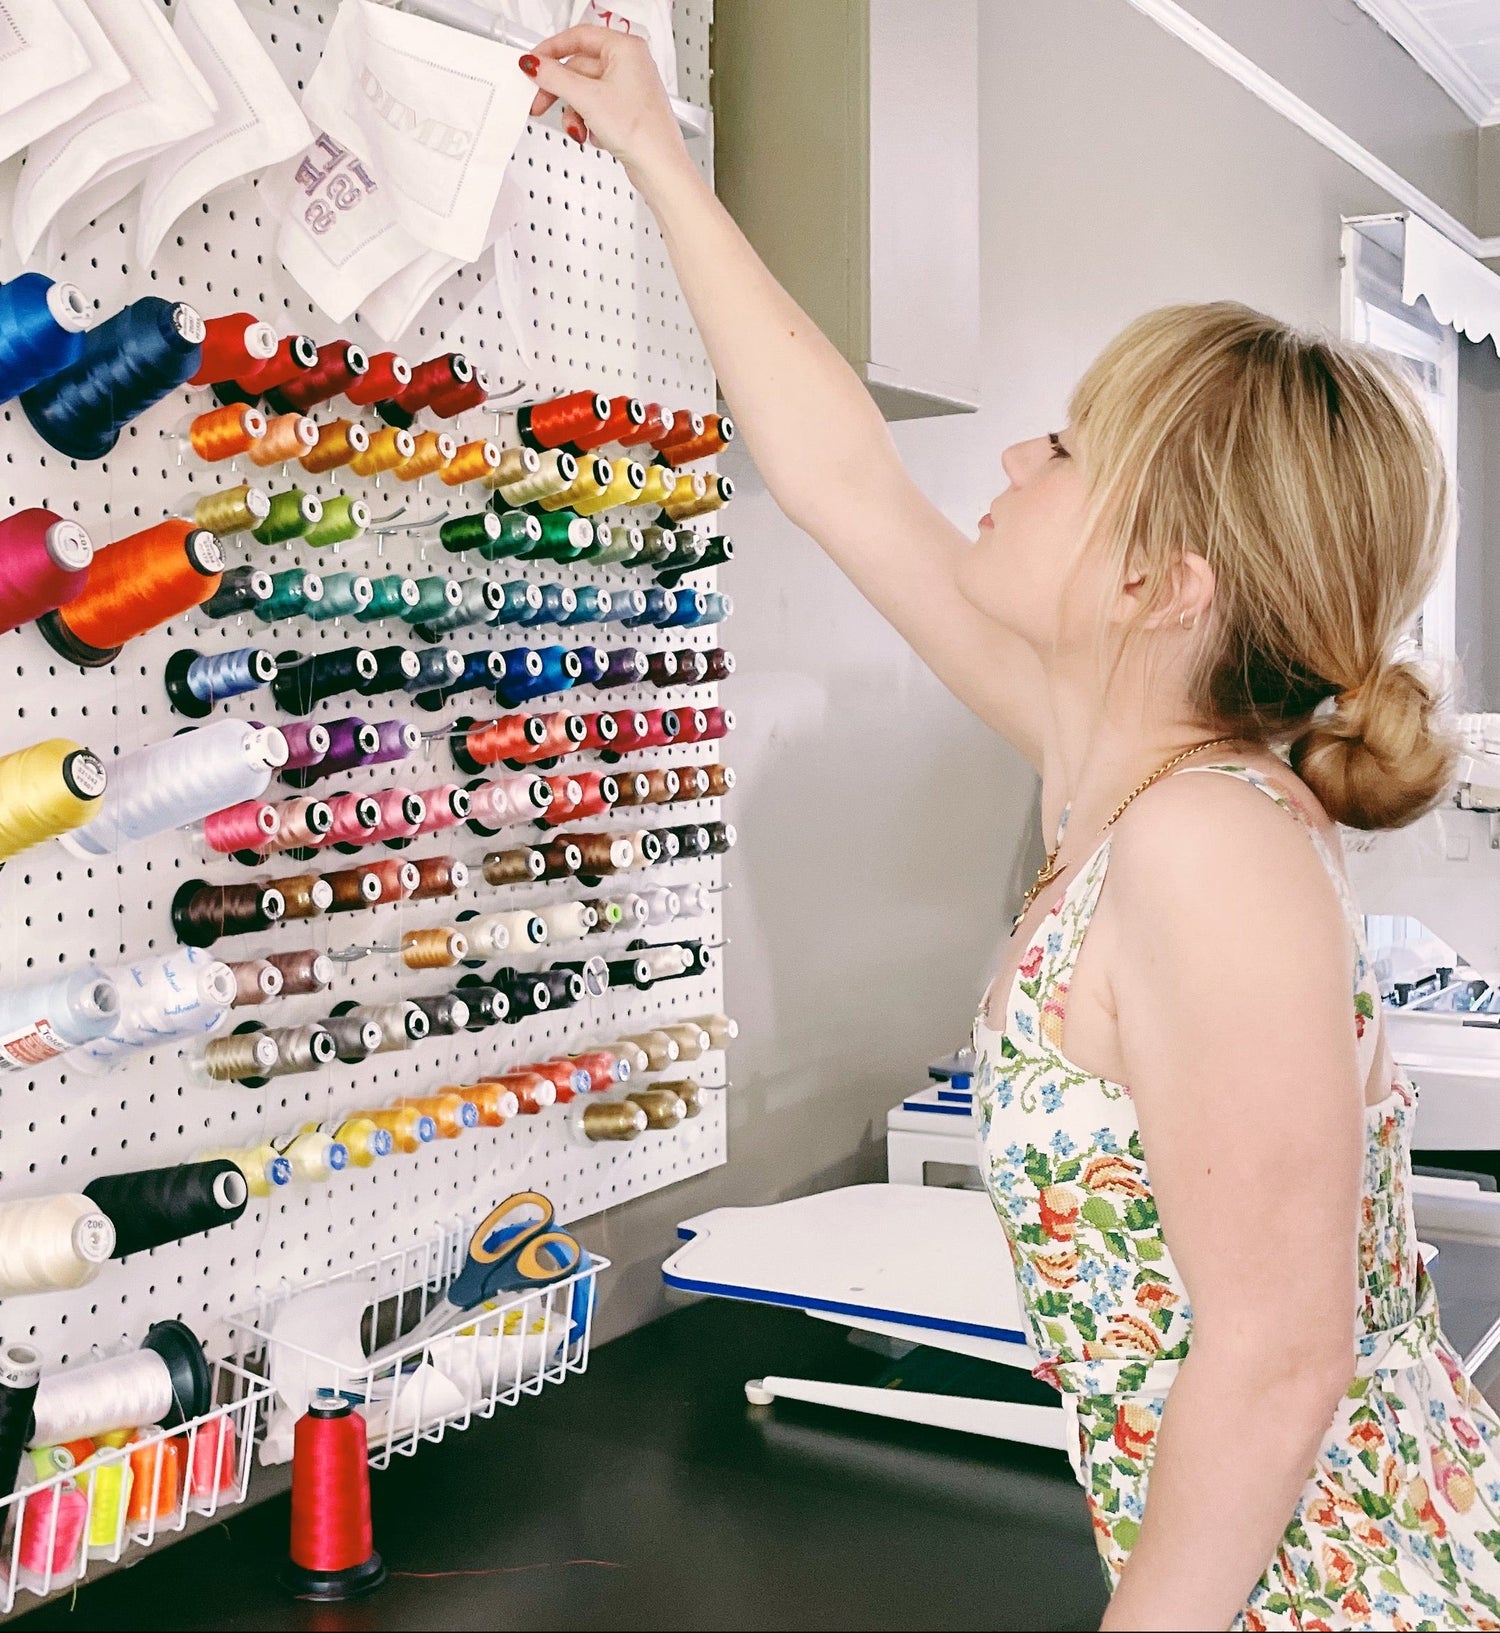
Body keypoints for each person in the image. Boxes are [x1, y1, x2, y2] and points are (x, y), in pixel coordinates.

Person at [517, 27, 1500, 1631]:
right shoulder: (1119, 779)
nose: (1015, 457)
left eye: (1068, 447)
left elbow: (1278, 1360)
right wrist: (656, 155)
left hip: (1351, 1595)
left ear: (1164, 584)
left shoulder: (1213, 850)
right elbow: (843, 479)